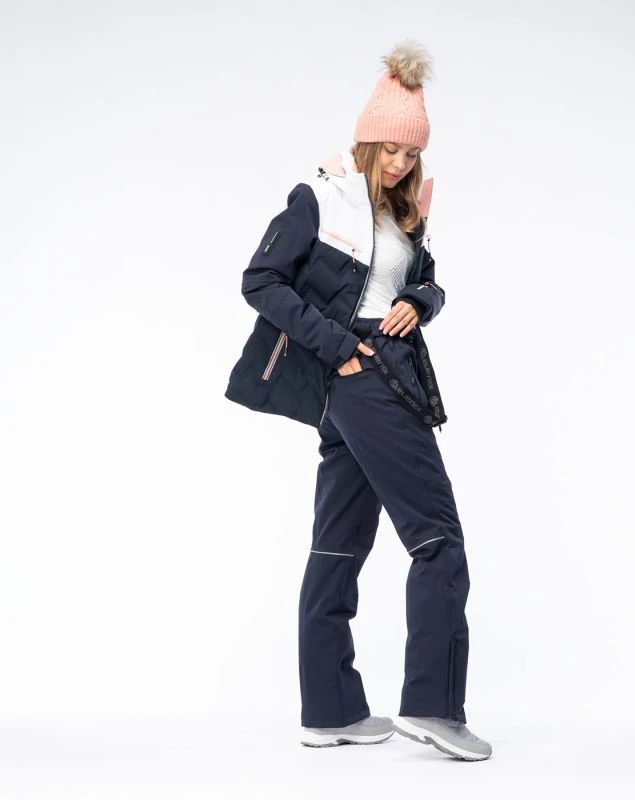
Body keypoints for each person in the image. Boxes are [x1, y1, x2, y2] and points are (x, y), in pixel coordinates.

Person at [224, 40, 491, 762]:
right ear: (367, 140)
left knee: (338, 543)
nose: (400, 163)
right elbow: (260, 281)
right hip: (364, 374)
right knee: (437, 539)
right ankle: (434, 706)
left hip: (379, 370)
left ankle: (331, 709)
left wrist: (421, 300)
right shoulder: (321, 197)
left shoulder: (403, 213)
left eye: (413, 153)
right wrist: (337, 345)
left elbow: (426, 282)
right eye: (391, 149)